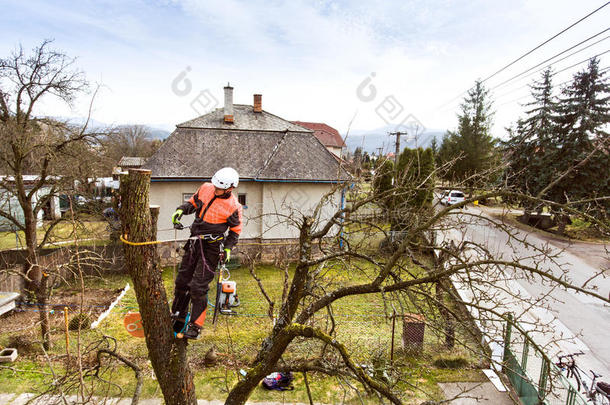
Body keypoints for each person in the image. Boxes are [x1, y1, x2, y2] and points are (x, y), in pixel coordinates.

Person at [170, 167, 242, 339]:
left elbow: (235, 231)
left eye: (220, 188)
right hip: (195, 241)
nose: (216, 190)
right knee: (182, 281)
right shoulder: (206, 188)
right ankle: (177, 315)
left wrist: (227, 248)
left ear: (230, 188)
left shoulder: (234, 206)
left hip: (211, 248)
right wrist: (181, 209)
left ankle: (196, 326)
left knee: (198, 287)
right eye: (215, 186)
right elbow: (193, 203)